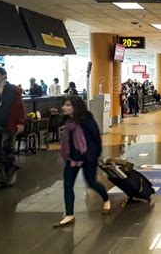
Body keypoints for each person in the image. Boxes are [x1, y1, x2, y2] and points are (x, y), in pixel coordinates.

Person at [53, 96, 110, 228]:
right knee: (68, 185)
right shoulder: (68, 121)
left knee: (91, 182)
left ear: (75, 106)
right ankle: (69, 215)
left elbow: (96, 138)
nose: (64, 108)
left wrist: (94, 155)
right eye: (64, 105)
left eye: (68, 105)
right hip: (72, 158)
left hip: (87, 157)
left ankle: (106, 199)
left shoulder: (86, 120)